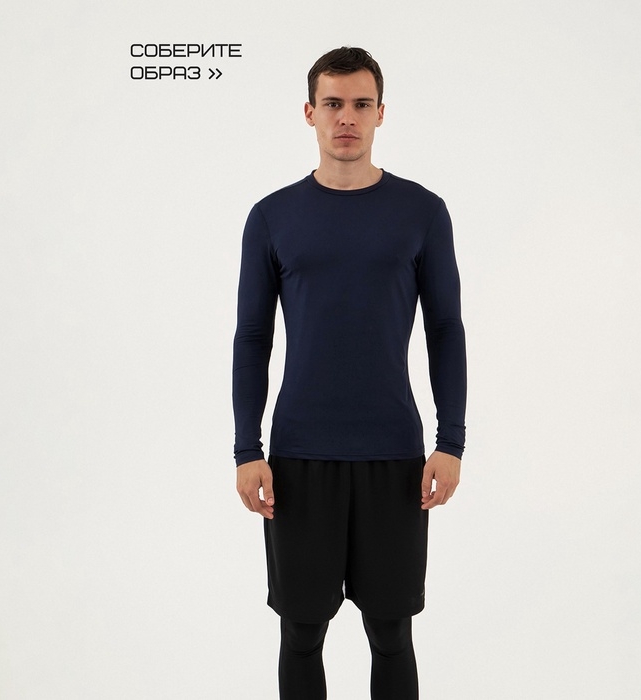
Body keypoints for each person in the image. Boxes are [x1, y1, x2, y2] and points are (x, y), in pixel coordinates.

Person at [233, 46, 467, 700]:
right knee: (301, 632)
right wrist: (247, 450)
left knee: (391, 631)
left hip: (393, 454)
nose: (347, 117)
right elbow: (252, 337)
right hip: (299, 457)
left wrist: (451, 442)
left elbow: (446, 330)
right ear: (310, 112)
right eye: (333, 103)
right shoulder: (272, 217)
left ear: (380, 113)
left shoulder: (422, 212)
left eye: (361, 104)